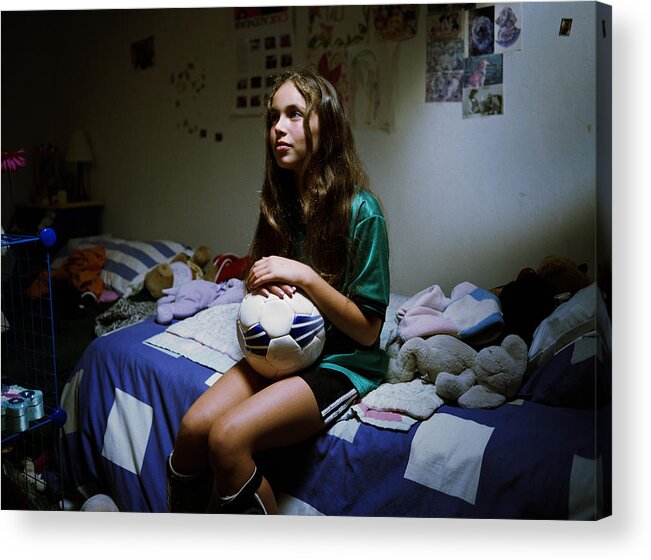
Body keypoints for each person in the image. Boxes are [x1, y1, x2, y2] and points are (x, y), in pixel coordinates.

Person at [166, 67, 390, 514]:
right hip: (285, 350)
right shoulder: (280, 201)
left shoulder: (363, 210)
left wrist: (304, 275)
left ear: (324, 123)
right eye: (273, 118)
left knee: (228, 439)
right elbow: (262, 282)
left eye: (294, 114)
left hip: (341, 361)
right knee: (194, 429)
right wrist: (260, 284)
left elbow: (368, 332)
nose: (278, 129)